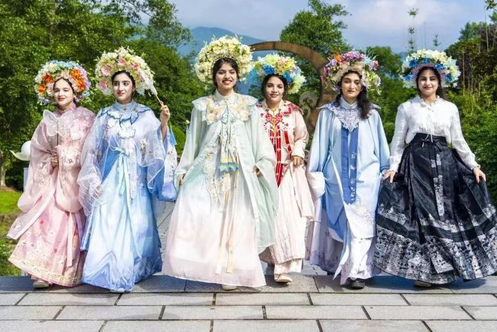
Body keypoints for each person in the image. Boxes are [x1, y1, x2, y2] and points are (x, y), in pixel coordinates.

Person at [375, 50, 497, 286]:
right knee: (422, 215)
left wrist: (474, 165)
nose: (427, 83)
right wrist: (393, 167)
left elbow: (458, 140)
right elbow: (397, 141)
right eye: (423, 79)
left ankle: (445, 271)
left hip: (444, 165)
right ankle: (424, 273)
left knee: (444, 214)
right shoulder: (406, 108)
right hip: (416, 164)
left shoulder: (450, 108)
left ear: (439, 81)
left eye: (432, 79)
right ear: (416, 81)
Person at [162, 35, 277, 290]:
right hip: (209, 171)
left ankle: (235, 271)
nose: (227, 76)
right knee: (205, 213)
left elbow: (259, 138)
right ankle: (209, 266)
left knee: (240, 219)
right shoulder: (202, 106)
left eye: (231, 72)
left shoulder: (248, 106)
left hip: (241, 173)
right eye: (222, 72)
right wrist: (184, 169)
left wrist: (262, 162)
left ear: (238, 75)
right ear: (213, 76)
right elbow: (193, 140)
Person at [78, 47, 177, 293]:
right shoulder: (104, 116)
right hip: (111, 178)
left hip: (136, 180)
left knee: (138, 222)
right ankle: (107, 270)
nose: (120, 88)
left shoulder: (145, 114)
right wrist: (93, 179)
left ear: (134, 87)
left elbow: (157, 145)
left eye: (125, 83)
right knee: (108, 220)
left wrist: (164, 123)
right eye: (116, 84)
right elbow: (93, 151)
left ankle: (131, 269)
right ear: (110, 87)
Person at [8, 61, 95, 289]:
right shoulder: (47, 120)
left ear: (75, 92)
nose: (60, 94)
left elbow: (92, 149)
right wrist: (51, 160)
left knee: (69, 227)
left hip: (75, 181)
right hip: (52, 181)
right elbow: (38, 149)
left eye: (65, 89)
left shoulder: (87, 118)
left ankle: (67, 271)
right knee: (45, 222)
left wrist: (67, 157)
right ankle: (41, 274)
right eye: (56, 90)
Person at [307, 51, 389, 289]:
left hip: (366, 178)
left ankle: (357, 271)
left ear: (363, 86)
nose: (352, 86)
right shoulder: (328, 113)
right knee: (343, 223)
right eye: (347, 81)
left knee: (362, 225)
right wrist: (315, 174)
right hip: (336, 178)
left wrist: (386, 170)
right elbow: (320, 146)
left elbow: (381, 146)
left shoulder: (372, 114)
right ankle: (342, 265)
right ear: (339, 84)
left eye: (356, 82)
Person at [251, 54, 314, 284]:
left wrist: (297, 151)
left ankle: (282, 267)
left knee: (288, 218)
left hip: (288, 171)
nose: (274, 90)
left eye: (279, 86)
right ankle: (270, 260)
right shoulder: (255, 111)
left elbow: (302, 136)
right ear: (264, 88)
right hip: (262, 172)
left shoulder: (293, 111)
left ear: (285, 89)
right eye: (270, 85)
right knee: (265, 217)